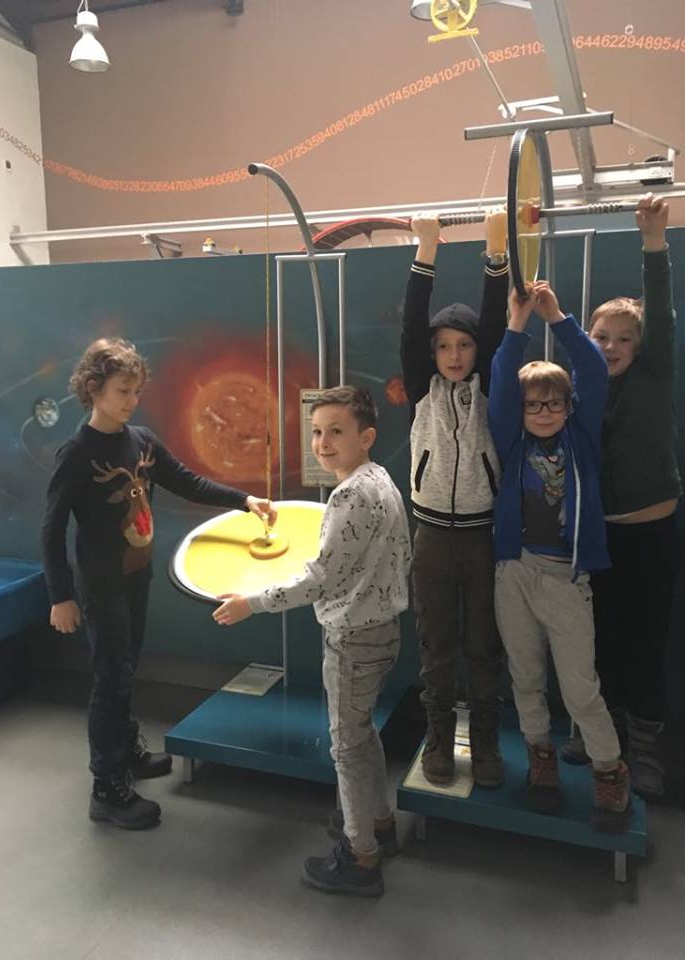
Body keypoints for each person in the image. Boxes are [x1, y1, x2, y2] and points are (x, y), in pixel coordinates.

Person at [42, 337, 275, 830]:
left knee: (126, 667)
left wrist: (243, 501)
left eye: (136, 391)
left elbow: (186, 480)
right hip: (101, 584)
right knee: (110, 677)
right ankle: (106, 787)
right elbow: (51, 527)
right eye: (122, 391)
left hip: (135, 576)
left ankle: (125, 749)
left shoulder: (142, 440)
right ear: (93, 388)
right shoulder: (77, 453)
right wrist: (61, 595)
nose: (132, 400)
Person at [213, 386, 411, 898]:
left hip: (353, 638)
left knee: (345, 746)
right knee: (361, 735)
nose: (323, 442)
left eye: (336, 431)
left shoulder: (349, 495)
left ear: (366, 436)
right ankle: (380, 823)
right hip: (382, 630)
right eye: (317, 431)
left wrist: (252, 602)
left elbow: (319, 580)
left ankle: (361, 856)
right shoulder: (380, 479)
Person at [488, 281, 630, 829]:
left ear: (570, 408)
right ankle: (540, 758)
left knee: (579, 688)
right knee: (525, 676)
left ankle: (609, 770)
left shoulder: (580, 438)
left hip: (567, 580)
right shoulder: (511, 439)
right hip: (515, 572)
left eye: (554, 403)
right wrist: (516, 325)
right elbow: (503, 380)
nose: (544, 412)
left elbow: (592, 370)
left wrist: (557, 318)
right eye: (533, 404)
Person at [563, 194, 681, 799]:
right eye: (601, 336)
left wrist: (653, 242)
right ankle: (601, 736)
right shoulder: (581, 387)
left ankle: (646, 748)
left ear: (642, 346)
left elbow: (660, 313)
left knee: (646, 643)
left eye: (624, 339)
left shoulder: (654, 375)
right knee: (600, 640)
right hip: (600, 535)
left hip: (651, 533)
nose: (610, 346)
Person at [402, 211, 508, 788]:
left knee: (484, 646)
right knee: (436, 644)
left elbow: (494, 321)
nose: (455, 354)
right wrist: (427, 250)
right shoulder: (423, 389)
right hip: (431, 540)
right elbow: (410, 324)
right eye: (443, 345)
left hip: (482, 537)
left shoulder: (490, 385)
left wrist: (496, 253)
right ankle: (439, 739)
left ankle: (486, 744)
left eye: (464, 344)